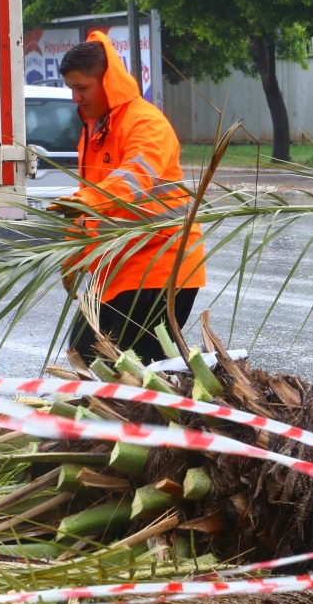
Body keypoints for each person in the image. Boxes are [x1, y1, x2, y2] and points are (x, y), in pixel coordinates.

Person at [47, 32, 205, 363]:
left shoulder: (145, 123)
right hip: (117, 269)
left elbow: (135, 177)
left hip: (160, 269)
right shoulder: (95, 130)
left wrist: (88, 202)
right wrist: (72, 259)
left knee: (133, 369)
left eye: (82, 88)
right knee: (84, 354)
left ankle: (147, 414)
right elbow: (87, 202)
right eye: (72, 89)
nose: (76, 97)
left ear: (108, 82)